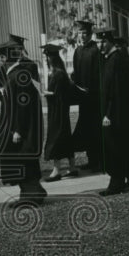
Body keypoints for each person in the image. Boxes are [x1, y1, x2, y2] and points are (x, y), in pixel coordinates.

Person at [0, 34, 47, 205]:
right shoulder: (13, 73)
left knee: (23, 160)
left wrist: (18, 129)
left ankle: (32, 196)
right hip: (12, 123)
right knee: (21, 160)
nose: (1, 61)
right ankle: (33, 194)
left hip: (20, 127)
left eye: (2, 57)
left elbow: (23, 106)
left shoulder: (20, 75)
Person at [98, 28, 129, 196]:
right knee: (118, 147)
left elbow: (116, 91)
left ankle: (116, 183)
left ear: (110, 42)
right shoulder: (109, 59)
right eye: (99, 42)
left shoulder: (117, 60)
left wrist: (108, 113)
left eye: (103, 42)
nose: (100, 45)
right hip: (113, 112)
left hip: (115, 114)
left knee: (114, 148)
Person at [70, 19, 104, 172]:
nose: (82, 36)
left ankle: (99, 161)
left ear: (90, 34)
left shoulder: (96, 51)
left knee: (96, 129)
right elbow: (76, 73)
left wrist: (92, 90)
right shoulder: (78, 51)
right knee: (87, 129)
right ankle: (92, 159)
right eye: (79, 33)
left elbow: (99, 75)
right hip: (83, 97)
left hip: (94, 97)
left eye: (84, 33)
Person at [42, 42, 77, 181]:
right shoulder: (58, 73)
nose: (46, 60)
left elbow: (58, 94)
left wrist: (46, 93)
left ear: (52, 58)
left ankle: (56, 171)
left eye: (47, 57)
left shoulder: (58, 74)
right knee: (65, 136)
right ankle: (72, 167)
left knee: (55, 137)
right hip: (60, 111)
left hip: (58, 111)